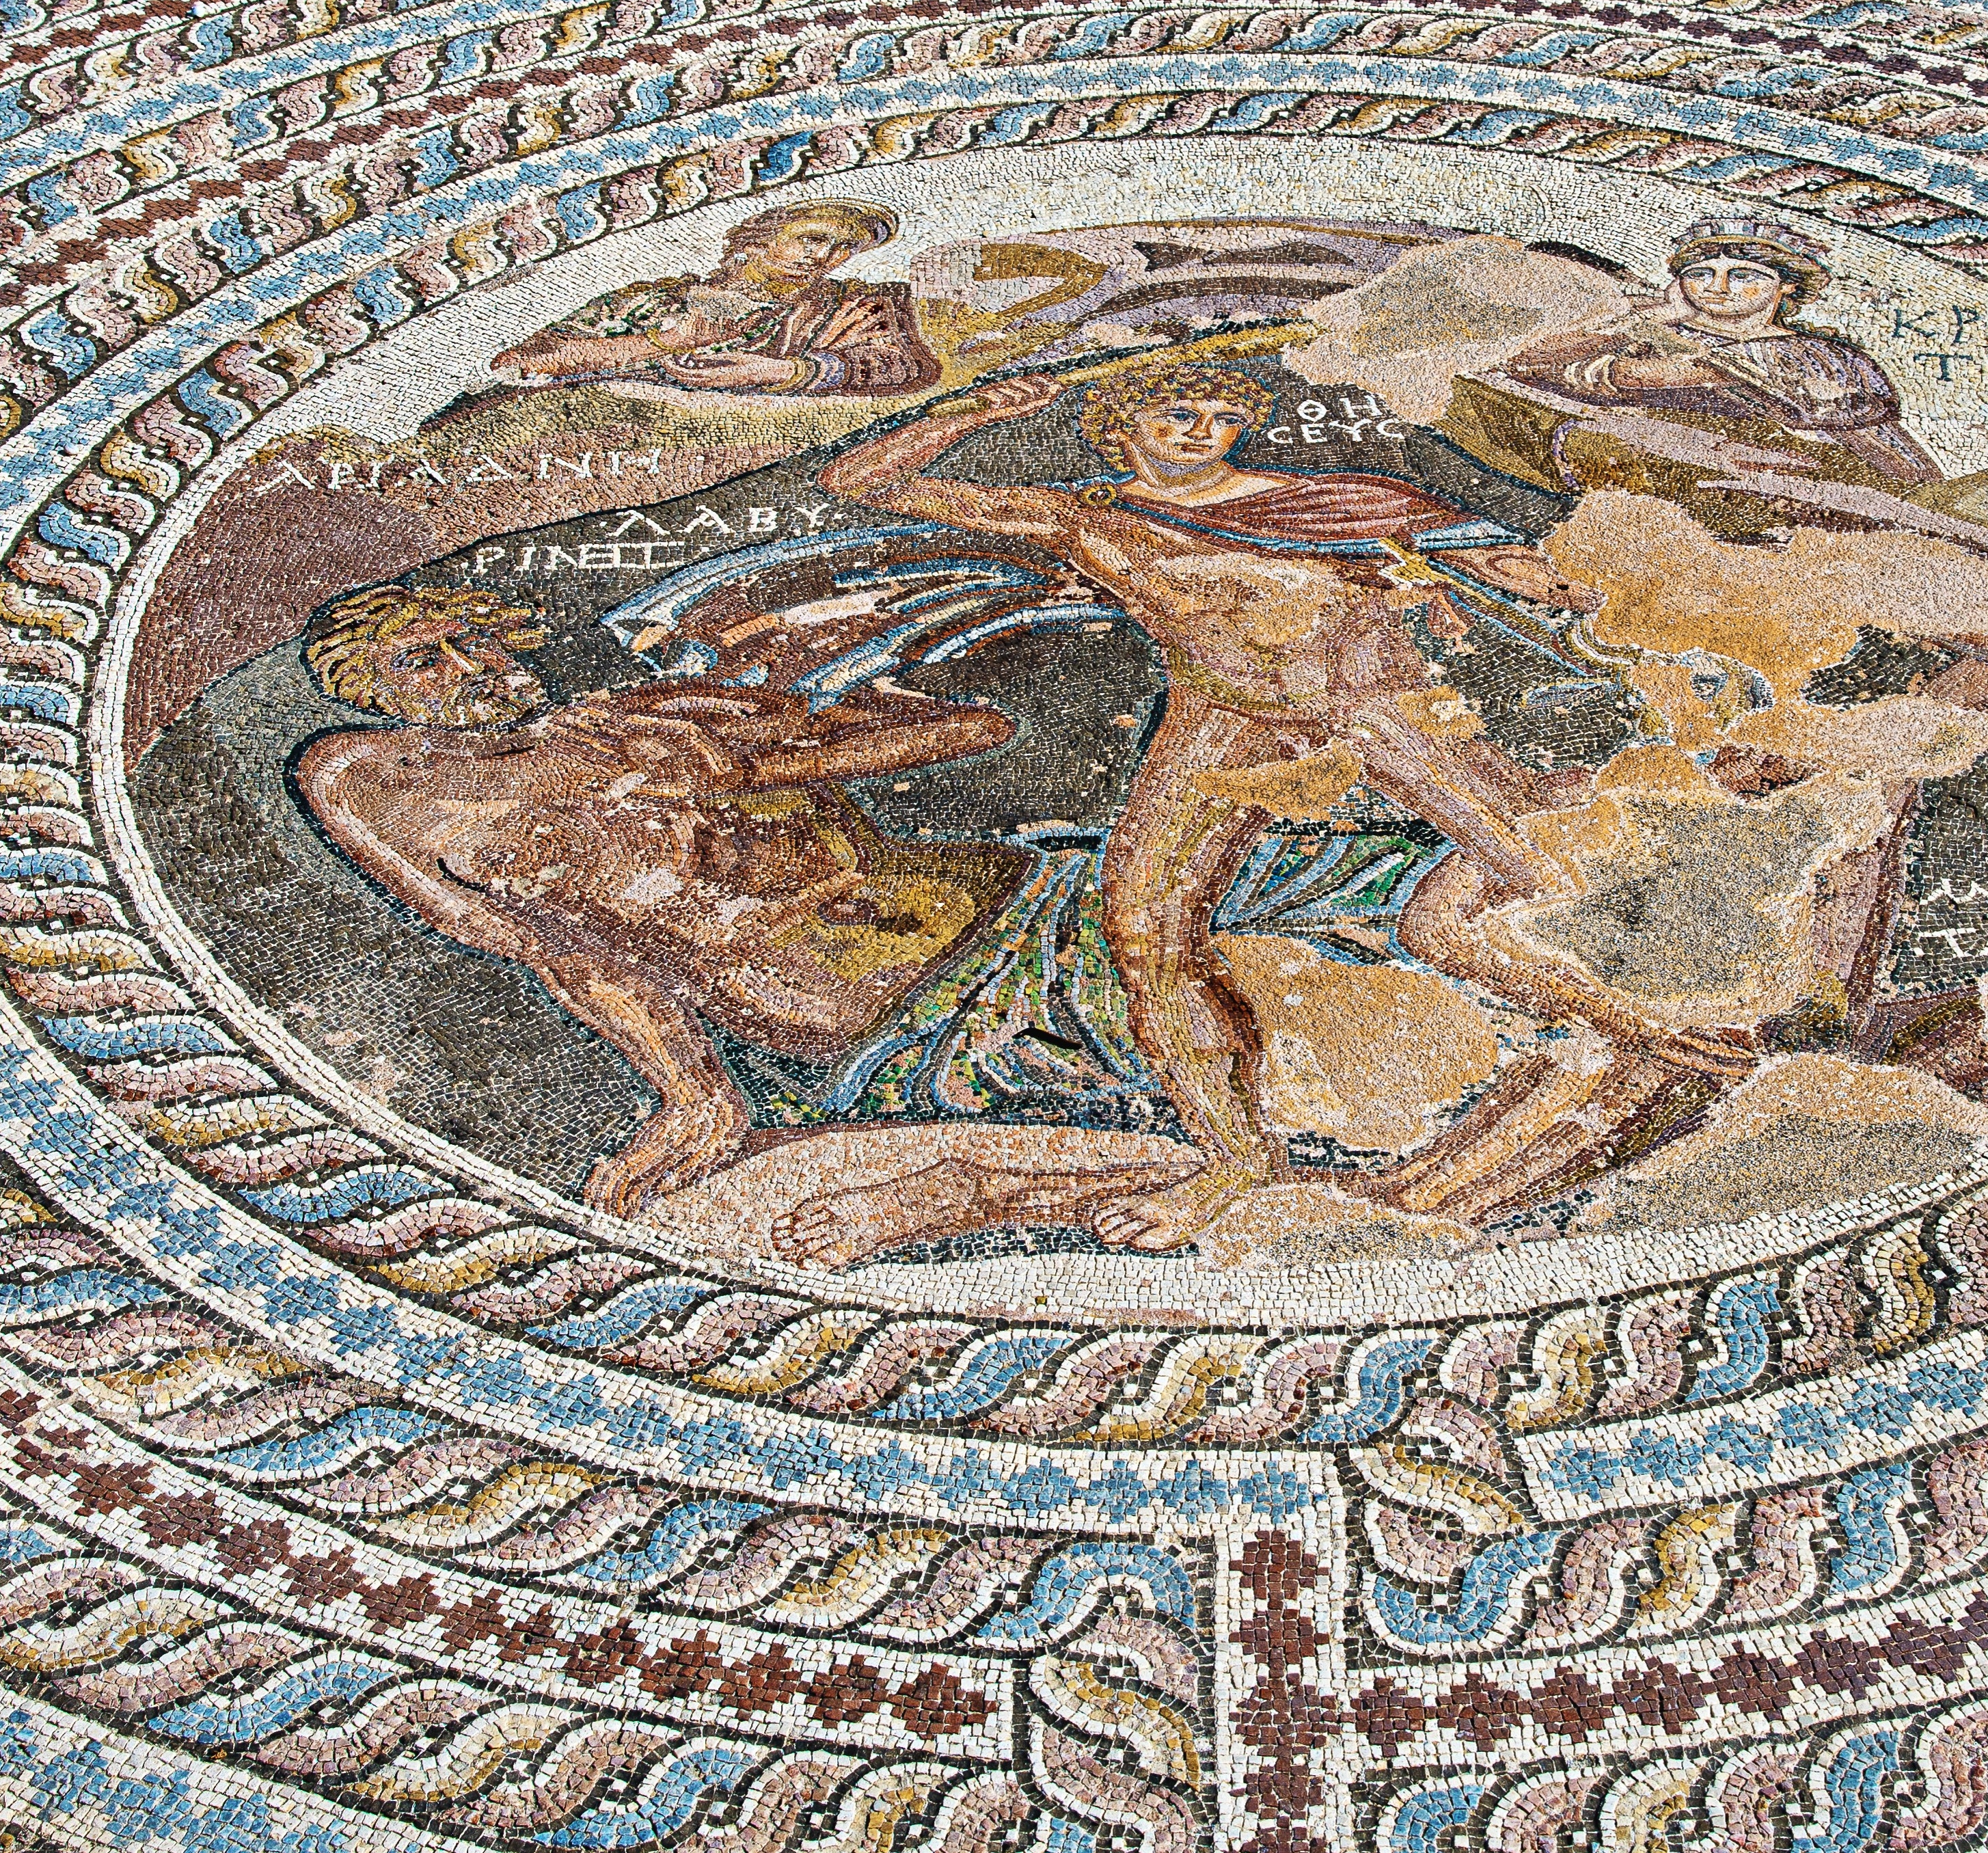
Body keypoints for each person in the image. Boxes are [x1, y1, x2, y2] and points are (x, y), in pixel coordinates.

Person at [821, 357, 1756, 1250]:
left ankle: (1661, 1022)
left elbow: (1515, 568)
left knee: (1537, 875)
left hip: (1376, 707)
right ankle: (1232, 1159)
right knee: (1145, 930)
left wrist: (1648, 607)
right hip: (1221, 715)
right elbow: (865, 478)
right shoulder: (1085, 520)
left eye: (1224, 416)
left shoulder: (1338, 503)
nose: (1203, 431)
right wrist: (979, 413)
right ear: (1119, 431)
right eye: (1176, 416)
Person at [289, 578, 1083, 1222]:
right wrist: (692, 1093)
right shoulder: (369, 779)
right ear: (368, 691)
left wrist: (747, 772)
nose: (471, 668)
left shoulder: (649, 716)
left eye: (477, 640)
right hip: (877, 1029)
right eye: (421, 661)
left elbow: (972, 725)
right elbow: (565, 951)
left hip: (1022, 911)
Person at [1478, 218, 1972, 541]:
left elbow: (1649, 377)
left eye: (1742, 275)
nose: (1716, 287)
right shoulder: (1661, 330)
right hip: (1672, 494)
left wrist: (1606, 364)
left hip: (1795, 496)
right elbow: (1527, 359)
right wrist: (1660, 313)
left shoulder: (1813, 356)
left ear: (1787, 290)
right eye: (1700, 273)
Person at [486, 198, 936, 398]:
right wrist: (661, 344)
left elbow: (905, 367)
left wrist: (778, 370)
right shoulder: (653, 301)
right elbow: (520, 363)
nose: (824, 256)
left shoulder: (861, 303)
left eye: (843, 248)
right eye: (811, 239)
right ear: (755, 243)